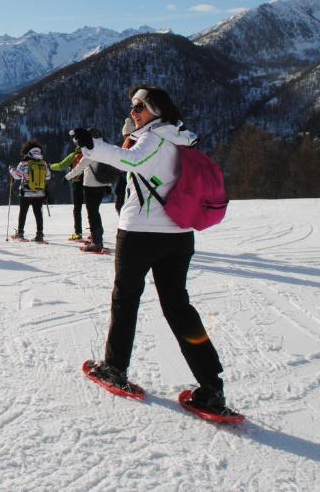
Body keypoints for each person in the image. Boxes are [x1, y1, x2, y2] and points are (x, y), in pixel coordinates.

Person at [71, 86, 234, 417]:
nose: (133, 112)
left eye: (139, 106)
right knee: (178, 308)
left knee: (125, 298)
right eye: (132, 107)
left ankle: (115, 367)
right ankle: (211, 386)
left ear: (156, 110)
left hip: (140, 234)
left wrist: (92, 146)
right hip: (179, 235)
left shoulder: (154, 138)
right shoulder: (181, 138)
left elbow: (132, 160)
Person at [64, 128, 110, 253]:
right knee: (96, 212)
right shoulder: (105, 148)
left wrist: (67, 177)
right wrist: (108, 184)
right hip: (102, 185)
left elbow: (80, 167)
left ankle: (96, 242)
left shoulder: (91, 150)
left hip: (90, 186)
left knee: (92, 214)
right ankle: (97, 238)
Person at [9, 141, 50, 242]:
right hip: (40, 193)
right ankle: (39, 235)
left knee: (23, 213)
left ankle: (20, 233)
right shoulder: (43, 163)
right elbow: (48, 176)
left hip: (25, 193)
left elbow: (17, 176)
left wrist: (11, 170)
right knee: (38, 214)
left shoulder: (24, 163)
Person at [50, 146, 85, 241]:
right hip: (90, 183)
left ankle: (78, 233)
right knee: (92, 209)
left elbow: (60, 166)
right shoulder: (91, 154)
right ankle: (94, 232)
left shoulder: (73, 155)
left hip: (77, 183)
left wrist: (51, 166)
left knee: (77, 209)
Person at [113, 117, 134, 213]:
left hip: (126, 175)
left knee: (120, 203)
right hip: (127, 175)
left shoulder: (128, 143)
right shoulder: (137, 143)